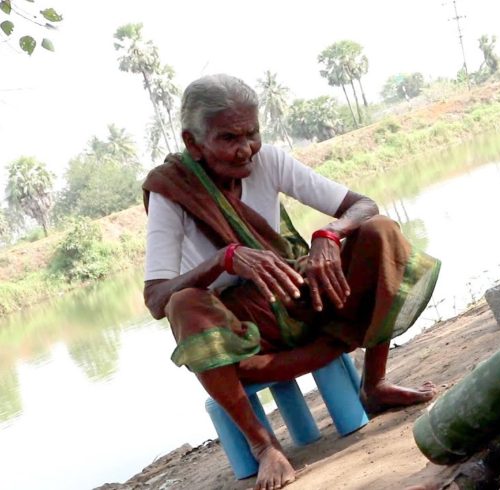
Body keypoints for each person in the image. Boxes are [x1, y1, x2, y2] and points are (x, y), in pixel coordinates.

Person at [142, 74, 441, 490]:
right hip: (246, 336)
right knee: (184, 304)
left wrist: (329, 236)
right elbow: (156, 298)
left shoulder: (269, 161)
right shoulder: (170, 191)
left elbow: (363, 205)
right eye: (229, 137)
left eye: (252, 133)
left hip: (303, 299)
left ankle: (374, 384)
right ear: (194, 144)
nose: (246, 148)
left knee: (379, 231)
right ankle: (264, 446)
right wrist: (224, 260)